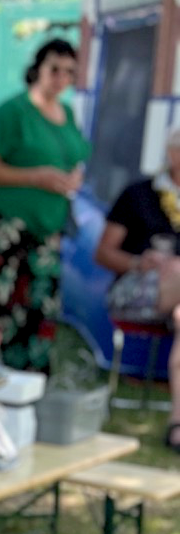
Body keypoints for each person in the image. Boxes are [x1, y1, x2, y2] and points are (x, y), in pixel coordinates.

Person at [0, 38, 90, 371]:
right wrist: (35, 177)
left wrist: (73, 177)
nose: (61, 78)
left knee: (39, 307)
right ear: (37, 69)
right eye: (54, 69)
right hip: (6, 225)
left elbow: (75, 155)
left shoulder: (66, 114)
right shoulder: (12, 112)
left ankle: (29, 378)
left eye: (69, 72)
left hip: (47, 229)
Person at [94, 132, 180, 452]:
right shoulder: (138, 195)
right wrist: (140, 262)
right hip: (135, 291)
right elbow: (102, 254)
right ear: (173, 154)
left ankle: (178, 422)